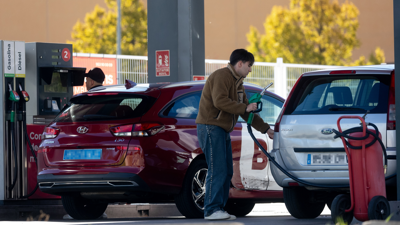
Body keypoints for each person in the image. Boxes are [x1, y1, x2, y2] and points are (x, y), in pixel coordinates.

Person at [195, 49, 274, 220]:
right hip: (211, 127)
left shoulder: (238, 83)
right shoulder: (221, 76)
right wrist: (244, 108)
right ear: (240, 63)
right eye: (249, 65)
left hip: (221, 129)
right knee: (218, 170)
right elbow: (220, 101)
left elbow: (246, 112)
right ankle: (211, 210)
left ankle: (219, 209)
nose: (250, 70)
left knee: (226, 171)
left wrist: (266, 129)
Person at [63, 67, 107, 220]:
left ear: (91, 81)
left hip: (78, 143)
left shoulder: (83, 98)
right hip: (99, 145)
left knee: (75, 178)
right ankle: (96, 209)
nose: (86, 82)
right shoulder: (110, 96)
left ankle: (83, 209)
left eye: (87, 80)